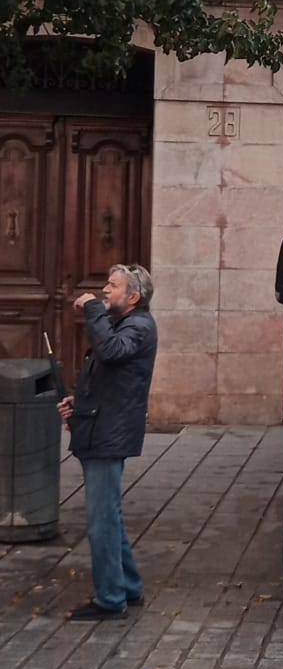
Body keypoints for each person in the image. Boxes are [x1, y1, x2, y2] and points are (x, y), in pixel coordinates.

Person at [58, 264, 158, 620]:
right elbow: (109, 375)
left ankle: (110, 598)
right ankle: (127, 587)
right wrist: (77, 402)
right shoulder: (122, 324)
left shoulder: (139, 327)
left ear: (132, 298)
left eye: (112, 287)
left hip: (109, 434)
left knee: (101, 519)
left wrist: (91, 310)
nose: (103, 291)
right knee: (109, 515)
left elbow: (112, 351)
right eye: (105, 285)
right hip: (100, 427)